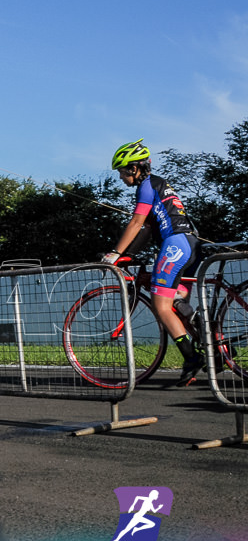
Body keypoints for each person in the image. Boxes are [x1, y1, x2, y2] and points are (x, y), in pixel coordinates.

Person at [102, 139, 203, 386]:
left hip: (175, 246)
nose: (120, 178)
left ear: (134, 168)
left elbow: (136, 223)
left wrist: (115, 253)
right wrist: (129, 254)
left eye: (121, 172)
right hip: (190, 244)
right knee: (176, 301)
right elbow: (148, 228)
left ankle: (192, 358)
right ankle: (213, 348)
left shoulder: (146, 186)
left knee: (161, 306)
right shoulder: (159, 184)